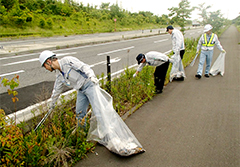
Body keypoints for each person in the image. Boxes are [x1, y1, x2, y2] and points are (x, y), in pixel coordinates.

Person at [39, 50, 145, 156]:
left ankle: (113, 138)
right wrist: (52, 104)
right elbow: (56, 89)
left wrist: (92, 76)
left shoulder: (67, 61)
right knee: (79, 113)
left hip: (90, 85)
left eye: (45, 66)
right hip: (81, 90)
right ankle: (82, 136)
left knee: (100, 112)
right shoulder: (59, 75)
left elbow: (84, 67)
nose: (46, 69)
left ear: (48, 61)